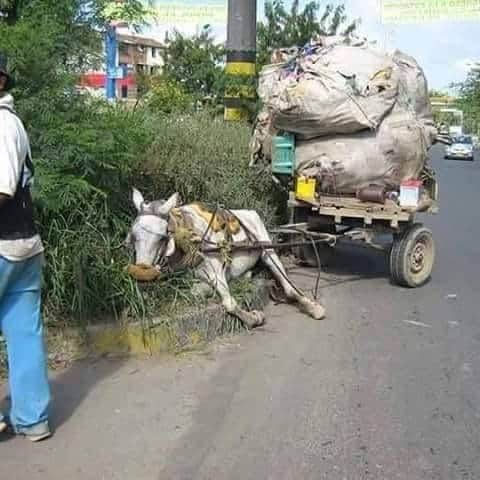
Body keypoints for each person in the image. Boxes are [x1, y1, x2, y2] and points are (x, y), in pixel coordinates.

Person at [0, 53, 51, 442]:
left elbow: (2, 188)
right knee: (23, 334)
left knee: (24, 333)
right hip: (24, 247)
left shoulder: (1, 124)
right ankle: (33, 419)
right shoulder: (11, 122)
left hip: (3, 245)